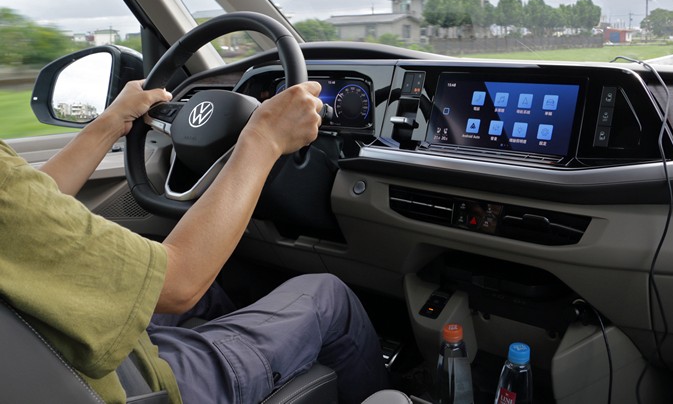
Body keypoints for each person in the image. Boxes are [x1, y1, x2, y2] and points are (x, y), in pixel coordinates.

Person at [0, 79, 389, 403]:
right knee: (328, 296)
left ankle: (253, 351)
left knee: (215, 290)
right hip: (130, 384)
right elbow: (180, 282)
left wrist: (112, 121)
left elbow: (34, 203)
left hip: (58, 350)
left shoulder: (9, 191)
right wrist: (264, 137)